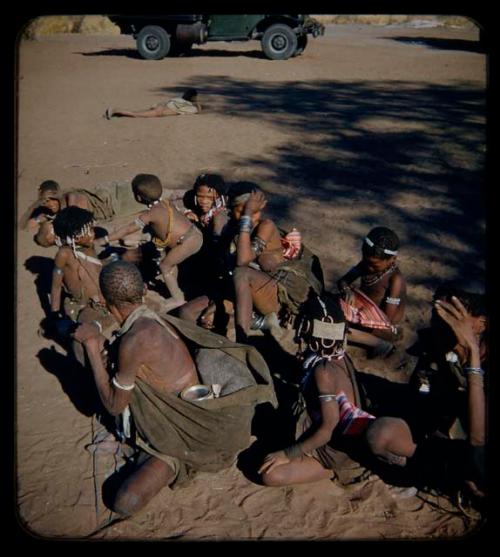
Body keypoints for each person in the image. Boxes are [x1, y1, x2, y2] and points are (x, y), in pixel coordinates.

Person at [72, 261, 277, 517]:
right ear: (143, 291)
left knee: (125, 502)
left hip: (189, 430)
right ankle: (153, 452)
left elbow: (114, 404)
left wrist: (92, 348)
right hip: (188, 415)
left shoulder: (135, 339)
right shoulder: (149, 318)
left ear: (104, 300)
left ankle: (168, 457)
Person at [258, 292, 417, 487]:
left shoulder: (323, 371)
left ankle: (332, 469)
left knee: (271, 474)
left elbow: (328, 428)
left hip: (333, 448)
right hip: (334, 438)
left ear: (306, 328)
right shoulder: (337, 355)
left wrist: (287, 454)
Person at [102, 174, 203, 312]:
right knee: (169, 262)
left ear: (138, 197)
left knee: (164, 266)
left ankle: (177, 298)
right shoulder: (166, 203)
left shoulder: (151, 214)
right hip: (194, 235)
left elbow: (128, 229)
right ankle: (176, 287)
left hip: (187, 242)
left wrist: (107, 239)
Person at [47, 206, 116, 362]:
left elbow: (95, 269)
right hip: (85, 305)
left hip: (102, 298)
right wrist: (54, 315)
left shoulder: (88, 246)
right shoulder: (64, 254)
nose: (93, 232)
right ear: (76, 237)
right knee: (85, 329)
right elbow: (56, 286)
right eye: (89, 230)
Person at [337, 226, 407, 359]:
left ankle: (379, 344)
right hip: (362, 314)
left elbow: (387, 320)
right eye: (366, 261)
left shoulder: (395, 280)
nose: (369, 268)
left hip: (383, 327)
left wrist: (360, 317)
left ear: (393, 259)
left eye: (375, 265)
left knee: (336, 330)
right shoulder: (366, 263)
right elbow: (343, 281)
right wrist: (347, 291)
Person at [21, 179, 145, 246]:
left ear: (58, 194)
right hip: (111, 205)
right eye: (45, 202)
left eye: (52, 199)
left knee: (152, 193)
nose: (49, 204)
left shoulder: (73, 198)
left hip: (115, 201)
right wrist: (35, 207)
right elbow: (23, 226)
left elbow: (79, 228)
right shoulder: (50, 211)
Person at [104, 88, 201, 119]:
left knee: (138, 112)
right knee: (136, 114)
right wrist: (197, 102)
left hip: (161, 106)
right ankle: (115, 110)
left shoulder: (179, 99)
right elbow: (198, 111)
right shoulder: (189, 106)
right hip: (161, 111)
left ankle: (118, 113)